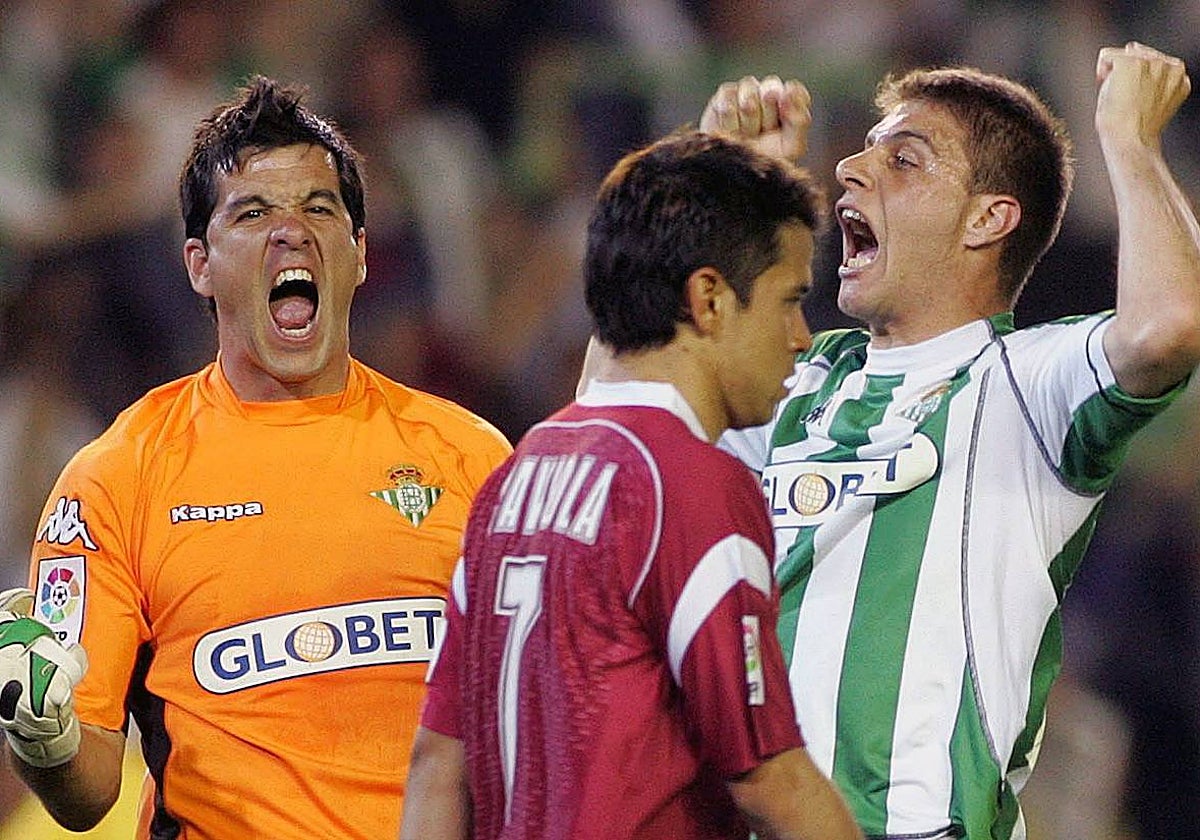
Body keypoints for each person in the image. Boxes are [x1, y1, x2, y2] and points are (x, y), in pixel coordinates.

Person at [697, 42, 1200, 838]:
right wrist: (728, 195)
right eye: (864, 150)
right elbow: (622, 409)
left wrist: (1131, 140)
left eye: (903, 159)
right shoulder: (795, 376)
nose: (851, 171)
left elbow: (1167, 327)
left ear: (988, 218)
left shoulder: (1027, 386)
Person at [0, 76, 511, 838]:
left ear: (360, 253)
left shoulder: (472, 459)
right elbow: (88, 794)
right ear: (199, 265)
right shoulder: (118, 476)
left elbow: (530, 720)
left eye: (319, 208)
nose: (291, 231)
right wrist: (45, 738)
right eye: (253, 211)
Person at [400, 130, 862, 840]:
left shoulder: (514, 477)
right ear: (709, 298)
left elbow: (437, 761)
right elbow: (773, 778)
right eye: (788, 299)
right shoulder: (692, 485)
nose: (801, 335)